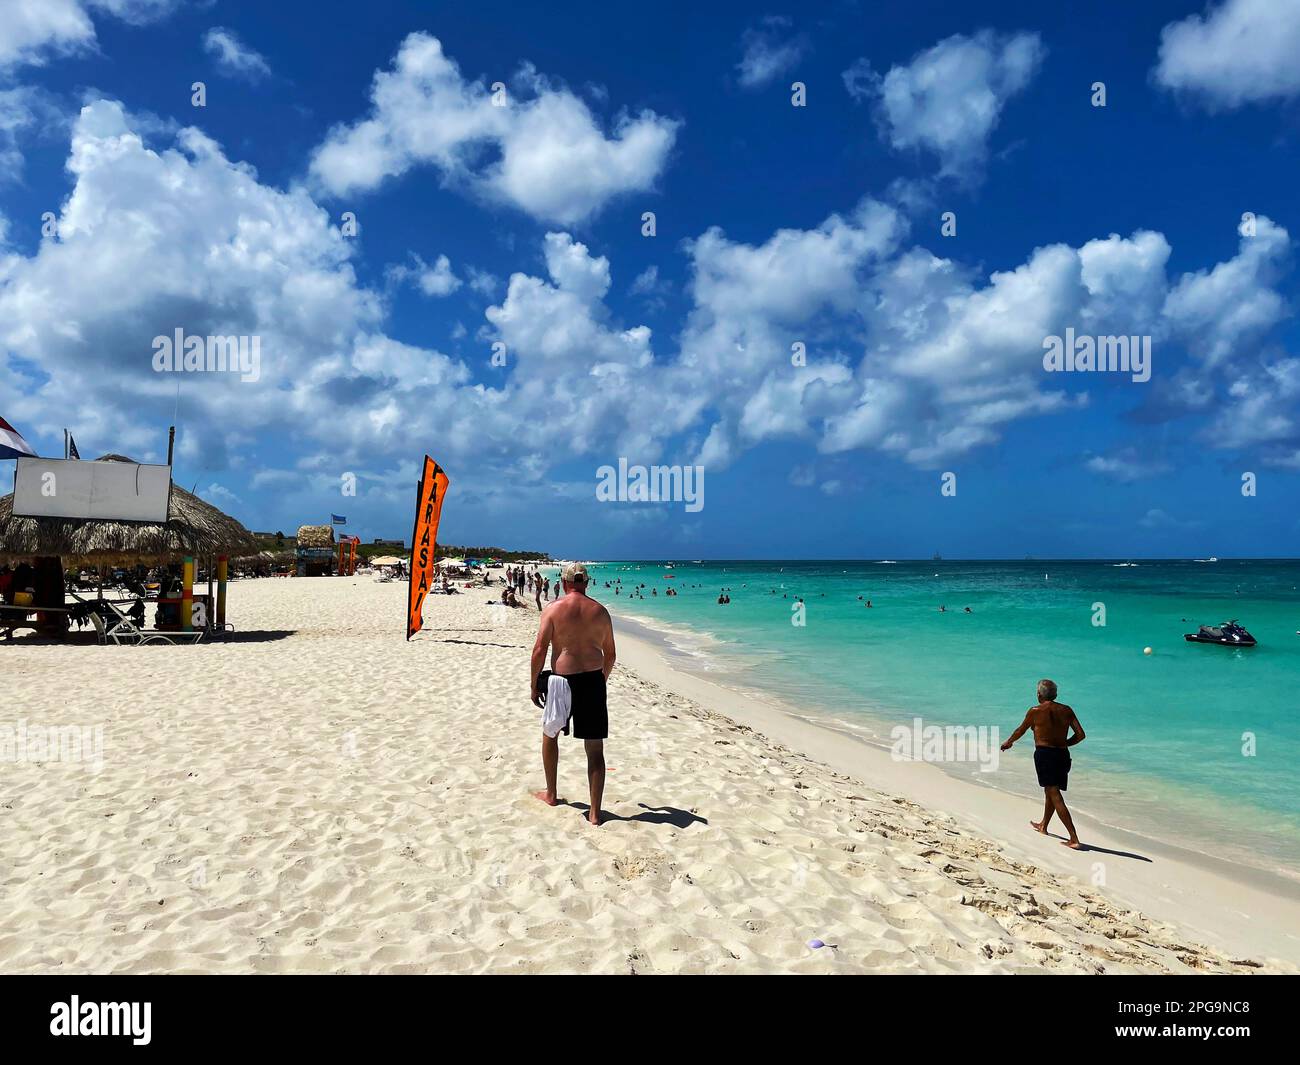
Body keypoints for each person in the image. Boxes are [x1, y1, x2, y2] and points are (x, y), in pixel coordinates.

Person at [529, 563, 616, 826]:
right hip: (592, 680)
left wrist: (534, 685)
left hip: (560, 681)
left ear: (564, 582)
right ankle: (594, 813)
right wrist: (601, 679)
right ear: (586, 583)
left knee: (550, 735)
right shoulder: (600, 612)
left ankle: (552, 793)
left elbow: (539, 649)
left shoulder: (554, 609)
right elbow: (610, 654)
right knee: (594, 747)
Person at [1000, 679, 1086, 849]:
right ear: (1055, 694)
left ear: (1039, 694)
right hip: (1062, 755)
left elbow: (1021, 730)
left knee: (1054, 793)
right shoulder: (1066, 710)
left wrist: (1009, 742)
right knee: (1051, 791)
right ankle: (1044, 826)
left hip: (1045, 754)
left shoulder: (1035, 711)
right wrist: (1064, 744)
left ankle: (1074, 838)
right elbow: (1080, 735)